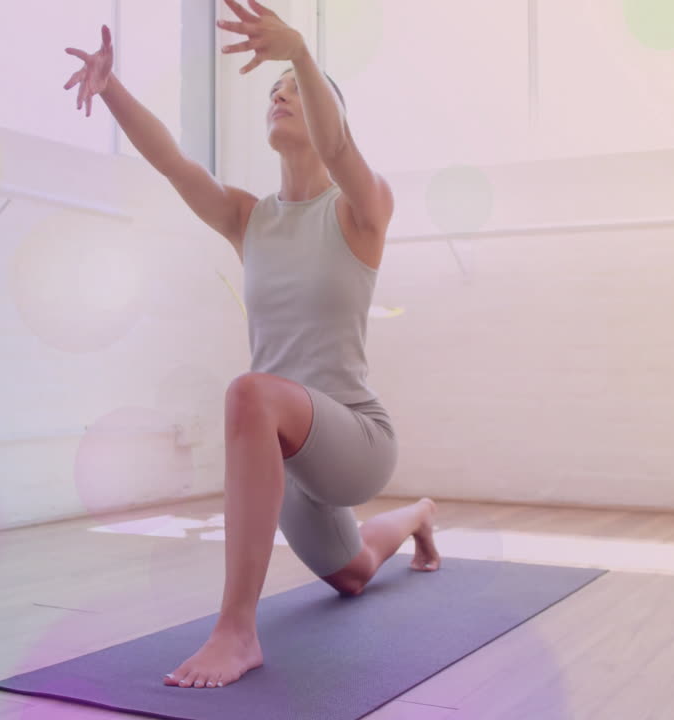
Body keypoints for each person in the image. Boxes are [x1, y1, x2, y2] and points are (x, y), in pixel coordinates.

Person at [64, 0, 440, 691]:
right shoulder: (249, 219)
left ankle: (235, 631)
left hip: (354, 440)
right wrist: (111, 87)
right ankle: (419, 516)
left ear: (330, 110)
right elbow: (176, 165)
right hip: (291, 461)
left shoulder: (363, 208)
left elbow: (339, 151)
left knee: (248, 391)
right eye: (273, 91)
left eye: (296, 89)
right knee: (353, 574)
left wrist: (298, 51)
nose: (280, 97)